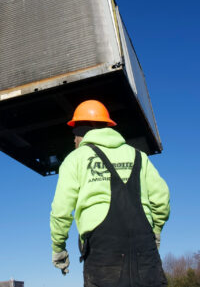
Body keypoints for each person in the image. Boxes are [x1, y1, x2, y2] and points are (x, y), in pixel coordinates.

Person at [50, 100, 170, 287]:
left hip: (102, 251)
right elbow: (161, 199)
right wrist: (154, 233)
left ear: (85, 131)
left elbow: (61, 210)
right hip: (144, 247)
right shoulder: (139, 157)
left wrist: (59, 249)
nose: (74, 140)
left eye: (75, 133)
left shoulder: (75, 159)